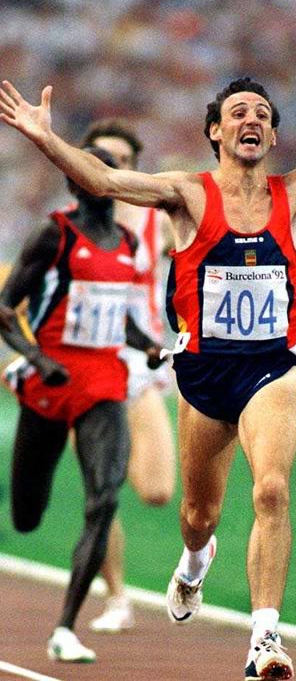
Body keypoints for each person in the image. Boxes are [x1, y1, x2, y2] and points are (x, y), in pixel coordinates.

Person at [0, 50, 296, 680]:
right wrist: (45, 137)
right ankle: (195, 564)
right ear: (216, 131)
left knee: (271, 487)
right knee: (198, 516)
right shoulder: (187, 193)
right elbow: (106, 183)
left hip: (273, 365)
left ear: (272, 135)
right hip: (204, 371)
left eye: (262, 114)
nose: (251, 119)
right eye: (237, 112)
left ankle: (264, 642)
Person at [0, 146, 163, 663]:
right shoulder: (55, 234)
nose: (99, 180)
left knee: (105, 497)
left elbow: (123, 320)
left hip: (104, 382)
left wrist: (149, 346)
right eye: (87, 174)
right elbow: (5, 309)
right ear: (73, 186)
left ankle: (66, 627)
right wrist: (34, 356)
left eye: (109, 173)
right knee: (26, 516)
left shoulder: (132, 243)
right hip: (52, 378)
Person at [79, 119, 176, 633]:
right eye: (101, 159)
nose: (112, 169)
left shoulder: (157, 220)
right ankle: (117, 597)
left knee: (158, 490)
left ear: (136, 169)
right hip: (86, 363)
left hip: (140, 364)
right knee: (102, 490)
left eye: (122, 160)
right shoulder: (67, 224)